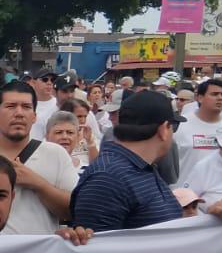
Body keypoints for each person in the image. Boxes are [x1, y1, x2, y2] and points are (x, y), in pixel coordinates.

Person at [69, 91, 184, 231]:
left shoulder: (140, 168)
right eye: (173, 126)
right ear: (164, 129)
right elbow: (95, 248)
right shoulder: (108, 178)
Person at [0, 82, 78, 235]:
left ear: (34, 116)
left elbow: (73, 210)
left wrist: (38, 184)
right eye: (11, 106)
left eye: (26, 107)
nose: (19, 113)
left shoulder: (55, 154)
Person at [174, 79, 222, 182]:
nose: (220, 98)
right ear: (200, 98)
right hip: (185, 192)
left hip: (218, 193)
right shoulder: (180, 124)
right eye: (214, 94)